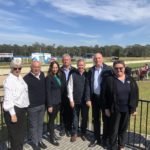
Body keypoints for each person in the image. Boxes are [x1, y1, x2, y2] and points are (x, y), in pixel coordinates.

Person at [102, 60, 139, 150]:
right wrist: (106, 108)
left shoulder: (130, 79)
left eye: (121, 68)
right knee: (114, 129)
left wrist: (133, 108)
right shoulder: (109, 80)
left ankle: (121, 145)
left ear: (124, 68)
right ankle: (113, 146)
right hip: (114, 109)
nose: (118, 70)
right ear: (113, 69)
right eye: (116, 68)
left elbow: (135, 94)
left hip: (126, 109)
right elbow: (104, 95)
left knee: (123, 129)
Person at [86, 52, 111, 147]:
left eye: (99, 58)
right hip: (95, 98)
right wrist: (88, 98)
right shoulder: (91, 70)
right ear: (93, 60)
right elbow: (88, 85)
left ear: (102, 59)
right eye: (95, 58)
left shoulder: (108, 69)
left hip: (105, 99)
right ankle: (96, 138)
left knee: (106, 120)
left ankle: (105, 138)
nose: (97, 60)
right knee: (95, 119)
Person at [3, 59, 29, 150]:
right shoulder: (9, 81)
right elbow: (8, 99)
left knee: (20, 134)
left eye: (19, 68)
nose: (17, 70)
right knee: (15, 137)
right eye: (15, 68)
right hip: (13, 111)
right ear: (11, 68)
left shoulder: (19, 78)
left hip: (21, 109)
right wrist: (13, 114)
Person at [24, 61, 47, 150]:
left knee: (40, 124)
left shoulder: (42, 75)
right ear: (31, 67)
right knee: (33, 126)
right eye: (34, 67)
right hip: (32, 107)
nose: (36, 69)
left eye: (38, 67)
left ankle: (40, 140)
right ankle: (35, 143)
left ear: (40, 67)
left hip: (42, 105)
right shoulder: (26, 78)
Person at [67, 59, 89, 142]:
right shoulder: (73, 75)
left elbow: (89, 88)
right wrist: (71, 100)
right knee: (75, 118)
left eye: (82, 65)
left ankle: (83, 133)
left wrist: (88, 99)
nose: (80, 67)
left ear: (85, 65)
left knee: (85, 118)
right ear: (77, 65)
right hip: (75, 101)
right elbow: (69, 87)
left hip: (85, 101)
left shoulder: (87, 75)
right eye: (79, 65)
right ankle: (74, 133)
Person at [46, 61, 65, 146]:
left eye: (56, 67)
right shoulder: (49, 78)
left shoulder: (57, 76)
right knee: (51, 121)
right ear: (51, 68)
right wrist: (49, 105)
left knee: (53, 120)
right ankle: (52, 138)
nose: (55, 69)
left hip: (58, 102)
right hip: (52, 103)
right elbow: (48, 92)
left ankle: (53, 134)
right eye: (53, 67)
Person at [59, 54, 76, 137]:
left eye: (67, 60)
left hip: (71, 95)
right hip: (61, 95)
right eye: (64, 60)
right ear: (62, 61)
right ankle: (62, 128)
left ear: (70, 60)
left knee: (70, 112)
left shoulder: (74, 70)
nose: (66, 61)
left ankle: (68, 128)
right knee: (62, 112)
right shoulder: (59, 70)